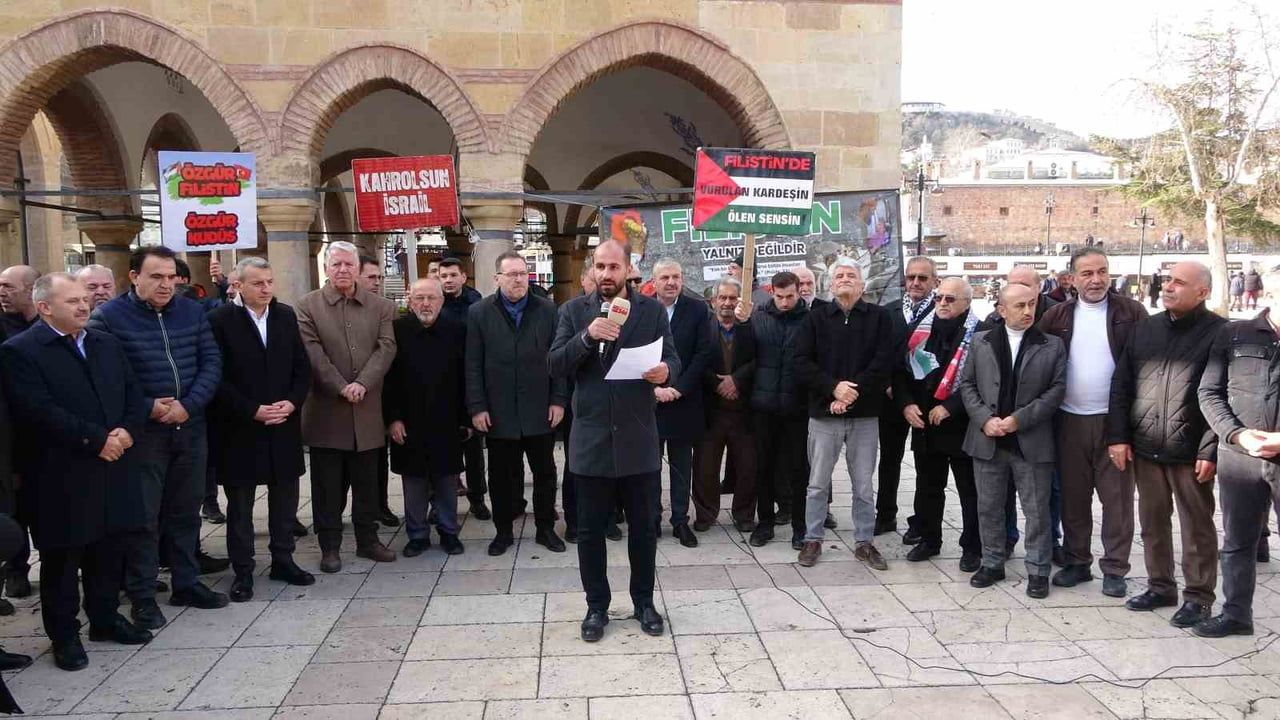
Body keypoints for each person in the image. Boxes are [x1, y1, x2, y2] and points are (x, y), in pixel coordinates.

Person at [1, 273, 154, 670]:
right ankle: (64, 635)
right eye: (72, 301)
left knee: (109, 549)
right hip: (62, 474)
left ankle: (104, 619)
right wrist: (96, 439)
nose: (84, 306)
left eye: (84, 299)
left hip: (115, 464)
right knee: (64, 559)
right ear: (44, 307)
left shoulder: (104, 342)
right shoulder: (21, 351)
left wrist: (125, 431)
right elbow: (38, 411)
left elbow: (133, 393)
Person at [88, 245, 228, 628]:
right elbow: (107, 378)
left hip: (190, 426)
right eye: (156, 277)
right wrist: (148, 406)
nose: (166, 284)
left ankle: (186, 581)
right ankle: (143, 595)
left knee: (185, 511)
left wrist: (190, 404)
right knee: (144, 518)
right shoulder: (109, 318)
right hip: (144, 434)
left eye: (170, 277)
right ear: (134, 277)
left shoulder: (191, 310)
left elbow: (211, 361)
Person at [548, 239, 680, 643]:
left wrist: (664, 372)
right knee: (589, 531)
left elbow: (673, 359)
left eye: (614, 267)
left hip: (638, 438)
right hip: (590, 439)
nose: (607, 274)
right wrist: (587, 338)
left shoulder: (652, 310)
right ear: (593, 269)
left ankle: (644, 602)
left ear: (628, 270)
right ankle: (596, 606)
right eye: (600, 267)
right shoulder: (573, 311)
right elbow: (555, 364)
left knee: (644, 528)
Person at [1107, 261, 1224, 628]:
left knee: (1197, 526)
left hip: (1191, 451)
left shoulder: (1221, 334)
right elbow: (1122, 386)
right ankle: (1161, 586)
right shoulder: (1146, 329)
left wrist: (1210, 449)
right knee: (1152, 521)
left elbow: (1223, 396)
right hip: (1145, 446)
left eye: (1179, 282)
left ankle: (1199, 597)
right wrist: (1119, 437)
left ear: (1202, 292)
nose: (1168, 287)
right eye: (1167, 280)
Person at [1039, 247, 1146, 597]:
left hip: (1114, 424)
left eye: (1102, 271)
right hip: (1068, 421)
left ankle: (1115, 568)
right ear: (1072, 279)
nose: (1096, 279)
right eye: (1087, 273)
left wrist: (1125, 432)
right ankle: (1077, 562)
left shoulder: (1132, 313)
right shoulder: (1056, 316)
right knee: (1073, 498)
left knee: (1116, 502)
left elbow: (1144, 370)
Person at [207, 257, 315, 602]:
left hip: (283, 423)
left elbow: (301, 366)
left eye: (269, 282)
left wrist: (293, 402)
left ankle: (284, 559)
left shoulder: (284, 316)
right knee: (241, 505)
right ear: (236, 286)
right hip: (241, 427)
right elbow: (216, 376)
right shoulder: (219, 320)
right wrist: (251, 410)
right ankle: (243, 571)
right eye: (258, 283)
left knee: (285, 498)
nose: (267, 288)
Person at [959, 283, 1066, 598]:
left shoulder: (1052, 345)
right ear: (1001, 310)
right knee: (989, 506)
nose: (1028, 311)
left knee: (1036, 510)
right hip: (988, 439)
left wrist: (1019, 419)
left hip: (1030, 441)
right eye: (1019, 305)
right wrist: (984, 420)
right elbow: (967, 385)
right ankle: (992, 562)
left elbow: (1056, 391)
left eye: (1031, 304)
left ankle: (1038, 570)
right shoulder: (981, 341)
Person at [296, 241, 397, 573]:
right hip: (327, 412)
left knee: (368, 483)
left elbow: (386, 348)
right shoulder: (308, 306)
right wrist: (341, 386)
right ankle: (330, 547)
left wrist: (362, 384)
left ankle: (368, 541)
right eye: (336, 264)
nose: (342, 270)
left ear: (357, 268)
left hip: (367, 411)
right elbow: (312, 353)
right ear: (327, 267)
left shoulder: (381, 306)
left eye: (348, 265)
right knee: (327, 487)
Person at [1196, 269, 1280, 637]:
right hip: (1241, 458)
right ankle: (1235, 615)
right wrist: (1236, 435)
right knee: (1237, 542)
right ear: (1270, 294)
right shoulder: (1234, 334)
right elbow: (1209, 393)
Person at [794, 259, 894, 568]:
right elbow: (801, 363)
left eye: (852, 275)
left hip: (864, 416)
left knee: (863, 485)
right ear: (830, 285)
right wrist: (833, 390)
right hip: (824, 415)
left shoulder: (880, 318)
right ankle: (813, 538)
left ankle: (864, 541)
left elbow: (883, 362)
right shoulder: (815, 318)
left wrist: (850, 395)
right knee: (817, 483)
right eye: (840, 275)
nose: (846, 279)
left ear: (862, 284)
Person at [466, 251, 567, 556]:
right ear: (497, 278)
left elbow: (559, 359)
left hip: (539, 409)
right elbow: (472, 364)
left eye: (523, 273)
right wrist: (477, 406)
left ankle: (546, 528)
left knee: (545, 473)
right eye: (511, 274)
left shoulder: (548, 310)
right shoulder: (480, 312)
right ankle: (503, 531)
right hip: (498, 412)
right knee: (500, 477)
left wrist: (559, 400)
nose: (518, 279)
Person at [896, 277, 981, 569]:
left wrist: (951, 407)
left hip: (961, 425)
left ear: (966, 303)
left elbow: (981, 381)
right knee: (928, 486)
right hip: (925, 422)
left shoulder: (980, 334)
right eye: (939, 298)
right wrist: (906, 404)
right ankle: (930, 540)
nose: (942, 304)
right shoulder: (920, 331)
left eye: (950, 299)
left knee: (969, 491)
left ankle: (972, 547)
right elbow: (901, 371)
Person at [386, 278, 469, 557]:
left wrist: (466, 419)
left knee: (447, 479)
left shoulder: (457, 330)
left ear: (441, 301)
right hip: (409, 420)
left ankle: (448, 532)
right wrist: (393, 418)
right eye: (419, 298)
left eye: (431, 298)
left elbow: (466, 377)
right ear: (410, 301)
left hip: (447, 419)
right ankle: (417, 534)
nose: (425, 304)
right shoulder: (397, 331)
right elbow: (389, 380)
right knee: (414, 481)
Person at [740, 272, 809, 548]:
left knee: (798, 470)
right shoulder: (757, 318)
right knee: (763, 467)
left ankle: (800, 527)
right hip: (764, 407)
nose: (784, 302)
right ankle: (765, 523)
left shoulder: (810, 319)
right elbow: (747, 357)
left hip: (797, 407)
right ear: (771, 292)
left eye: (789, 296)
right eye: (779, 297)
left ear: (799, 292)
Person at [651, 258, 715, 548]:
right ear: (654, 280)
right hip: (648, 403)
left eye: (676, 276)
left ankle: (680, 521)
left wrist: (676, 389)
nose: (671, 282)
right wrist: (653, 390)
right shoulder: (642, 309)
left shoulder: (698, 310)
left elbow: (702, 354)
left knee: (681, 465)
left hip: (683, 401)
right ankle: (651, 519)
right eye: (665, 277)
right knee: (648, 466)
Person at [692, 277, 757, 533]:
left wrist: (736, 380)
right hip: (711, 408)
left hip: (744, 409)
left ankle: (744, 516)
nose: (728, 303)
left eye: (733, 298)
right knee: (705, 466)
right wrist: (716, 383)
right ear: (713, 301)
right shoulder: (702, 328)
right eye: (723, 298)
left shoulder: (751, 326)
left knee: (747, 466)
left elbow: (760, 358)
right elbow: (694, 359)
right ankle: (705, 515)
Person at [884, 257, 938, 538]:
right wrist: (888, 383)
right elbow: (879, 353)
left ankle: (920, 522)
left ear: (934, 282)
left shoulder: (940, 312)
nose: (915, 283)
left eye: (922, 278)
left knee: (925, 465)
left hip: (925, 401)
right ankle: (885, 515)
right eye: (911, 277)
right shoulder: (889, 311)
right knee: (889, 460)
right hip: (891, 396)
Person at [438, 256, 490, 519]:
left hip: (470, 384)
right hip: (443, 386)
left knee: (474, 450)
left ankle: (478, 498)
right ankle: (440, 503)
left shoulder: (477, 305)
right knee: (443, 448)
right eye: (443, 276)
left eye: (452, 275)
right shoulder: (434, 303)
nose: (447, 280)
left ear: (463, 277)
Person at [0, 264, 38, 600]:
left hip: (41, 436)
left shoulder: (48, 328)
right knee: (10, 511)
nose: (2, 292)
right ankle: (15, 570)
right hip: (8, 437)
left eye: (10, 286)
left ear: (32, 290)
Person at [358, 254, 400, 529]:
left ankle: (379, 505)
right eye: (371, 277)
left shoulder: (387, 308)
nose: (377, 282)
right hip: (340, 392)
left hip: (378, 392)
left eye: (379, 277)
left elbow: (389, 350)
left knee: (377, 457)